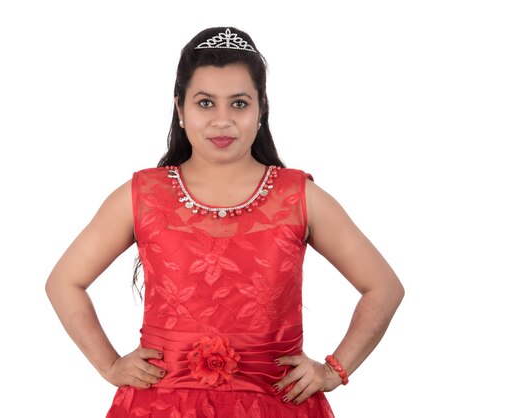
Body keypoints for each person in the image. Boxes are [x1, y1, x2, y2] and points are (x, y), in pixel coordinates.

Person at [45, 26, 405, 417]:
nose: (222, 120)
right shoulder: (142, 196)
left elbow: (383, 287)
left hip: (275, 404)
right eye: (205, 103)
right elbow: (64, 282)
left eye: (238, 104)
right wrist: (110, 366)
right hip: (162, 406)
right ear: (180, 109)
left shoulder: (299, 197)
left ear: (261, 108)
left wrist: (333, 372)